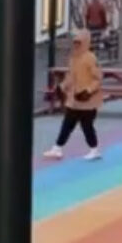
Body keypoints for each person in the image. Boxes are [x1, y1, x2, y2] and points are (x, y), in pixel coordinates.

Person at [45, 29, 103, 161]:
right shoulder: (74, 58)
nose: (76, 45)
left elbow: (97, 78)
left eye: (79, 42)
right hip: (75, 99)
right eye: (75, 42)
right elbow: (70, 76)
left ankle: (94, 149)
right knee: (68, 124)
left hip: (87, 100)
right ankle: (58, 147)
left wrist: (88, 91)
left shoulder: (90, 58)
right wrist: (62, 87)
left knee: (86, 125)